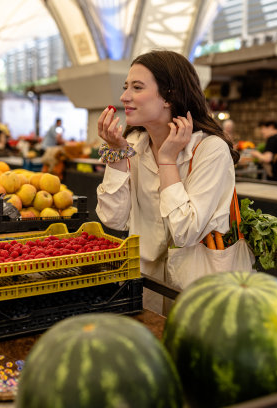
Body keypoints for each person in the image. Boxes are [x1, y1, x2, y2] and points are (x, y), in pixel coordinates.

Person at [95, 50, 240, 314]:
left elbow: (185, 233)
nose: (124, 96)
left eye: (137, 87)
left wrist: (168, 162)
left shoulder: (211, 150)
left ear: (169, 96)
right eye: (125, 87)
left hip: (196, 292)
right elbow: (112, 219)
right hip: (145, 285)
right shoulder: (135, 145)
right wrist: (115, 152)